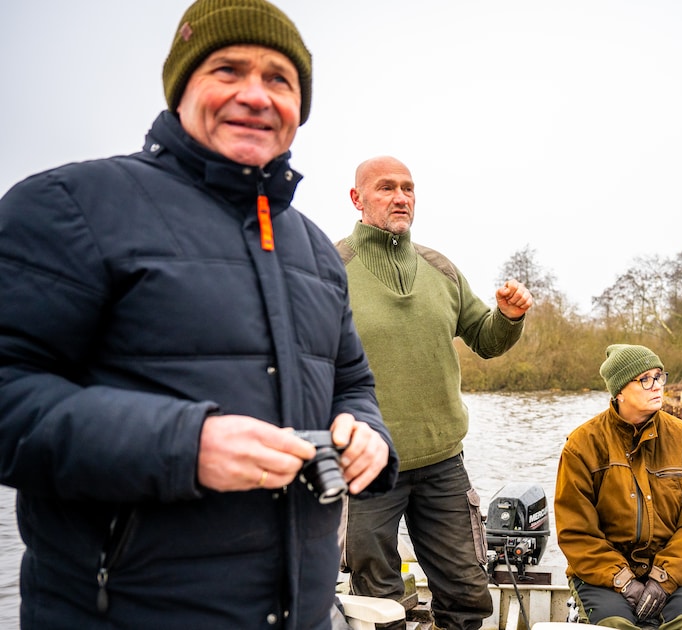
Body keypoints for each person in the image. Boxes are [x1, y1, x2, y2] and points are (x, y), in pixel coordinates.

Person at [0, 0, 399, 627]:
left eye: (279, 80)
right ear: (182, 87)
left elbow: (353, 383)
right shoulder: (67, 206)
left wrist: (368, 434)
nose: (256, 95)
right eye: (227, 70)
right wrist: (183, 445)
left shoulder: (318, 251)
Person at [338, 156, 533, 630]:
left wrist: (508, 317)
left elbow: (485, 340)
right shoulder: (330, 267)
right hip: (366, 467)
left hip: (443, 464)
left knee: (467, 592)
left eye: (407, 188)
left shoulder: (440, 268)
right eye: (386, 188)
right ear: (357, 198)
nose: (401, 197)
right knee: (379, 601)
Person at [555, 345, 682, 630]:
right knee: (613, 625)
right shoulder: (582, 446)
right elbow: (577, 532)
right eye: (645, 379)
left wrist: (663, 579)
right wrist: (623, 581)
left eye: (659, 376)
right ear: (619, 391)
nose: (657, 386)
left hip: (679, 571)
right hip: (605, 576)